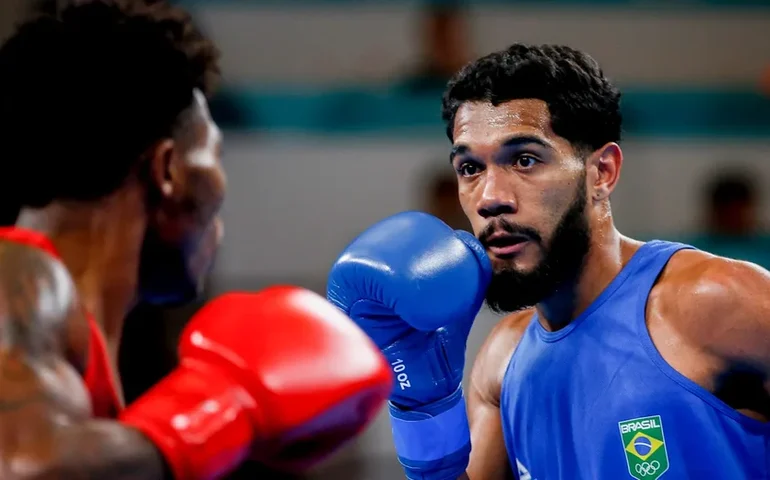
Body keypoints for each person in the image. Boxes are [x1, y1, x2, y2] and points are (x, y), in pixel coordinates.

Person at [328, 44, 770, 480]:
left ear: (602, 172)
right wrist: (422, 409)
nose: (490, 198)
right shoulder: (502, 361)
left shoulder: (717, 303)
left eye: (524, 160)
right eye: (469, 169)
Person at [0, 1, 391, 479]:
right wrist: (217, 412)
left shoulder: (76, 362)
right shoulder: (19, 273)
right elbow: (24, 465)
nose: (222, 202)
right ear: (167, 171)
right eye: (213, 154)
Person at [682, 171, 770, 269]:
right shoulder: (691, 252)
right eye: (728, 212)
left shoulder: (766, 249)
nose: (733, 218)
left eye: (738, 212)